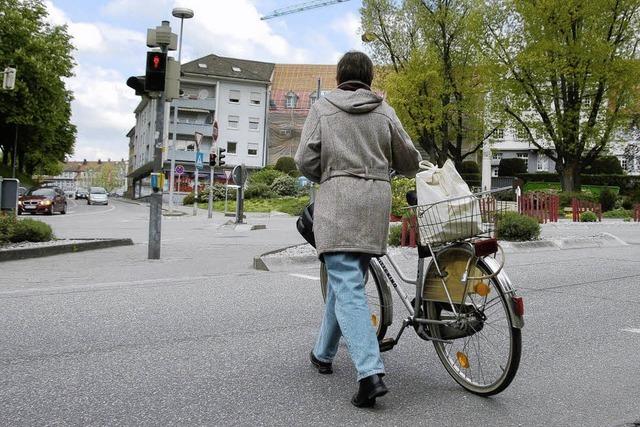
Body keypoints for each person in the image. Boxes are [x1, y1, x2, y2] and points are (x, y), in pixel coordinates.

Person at [295, 51, 422, 408]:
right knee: (347, 282)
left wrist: (331, 173)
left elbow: (305, 160)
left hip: (337, 201)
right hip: (374, 205)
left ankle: (370, 373)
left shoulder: (322, 108)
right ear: (369, 77)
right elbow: (410, 160)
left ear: (338, 77)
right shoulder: (384, 109)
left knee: (346, 282)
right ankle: (322, 353)